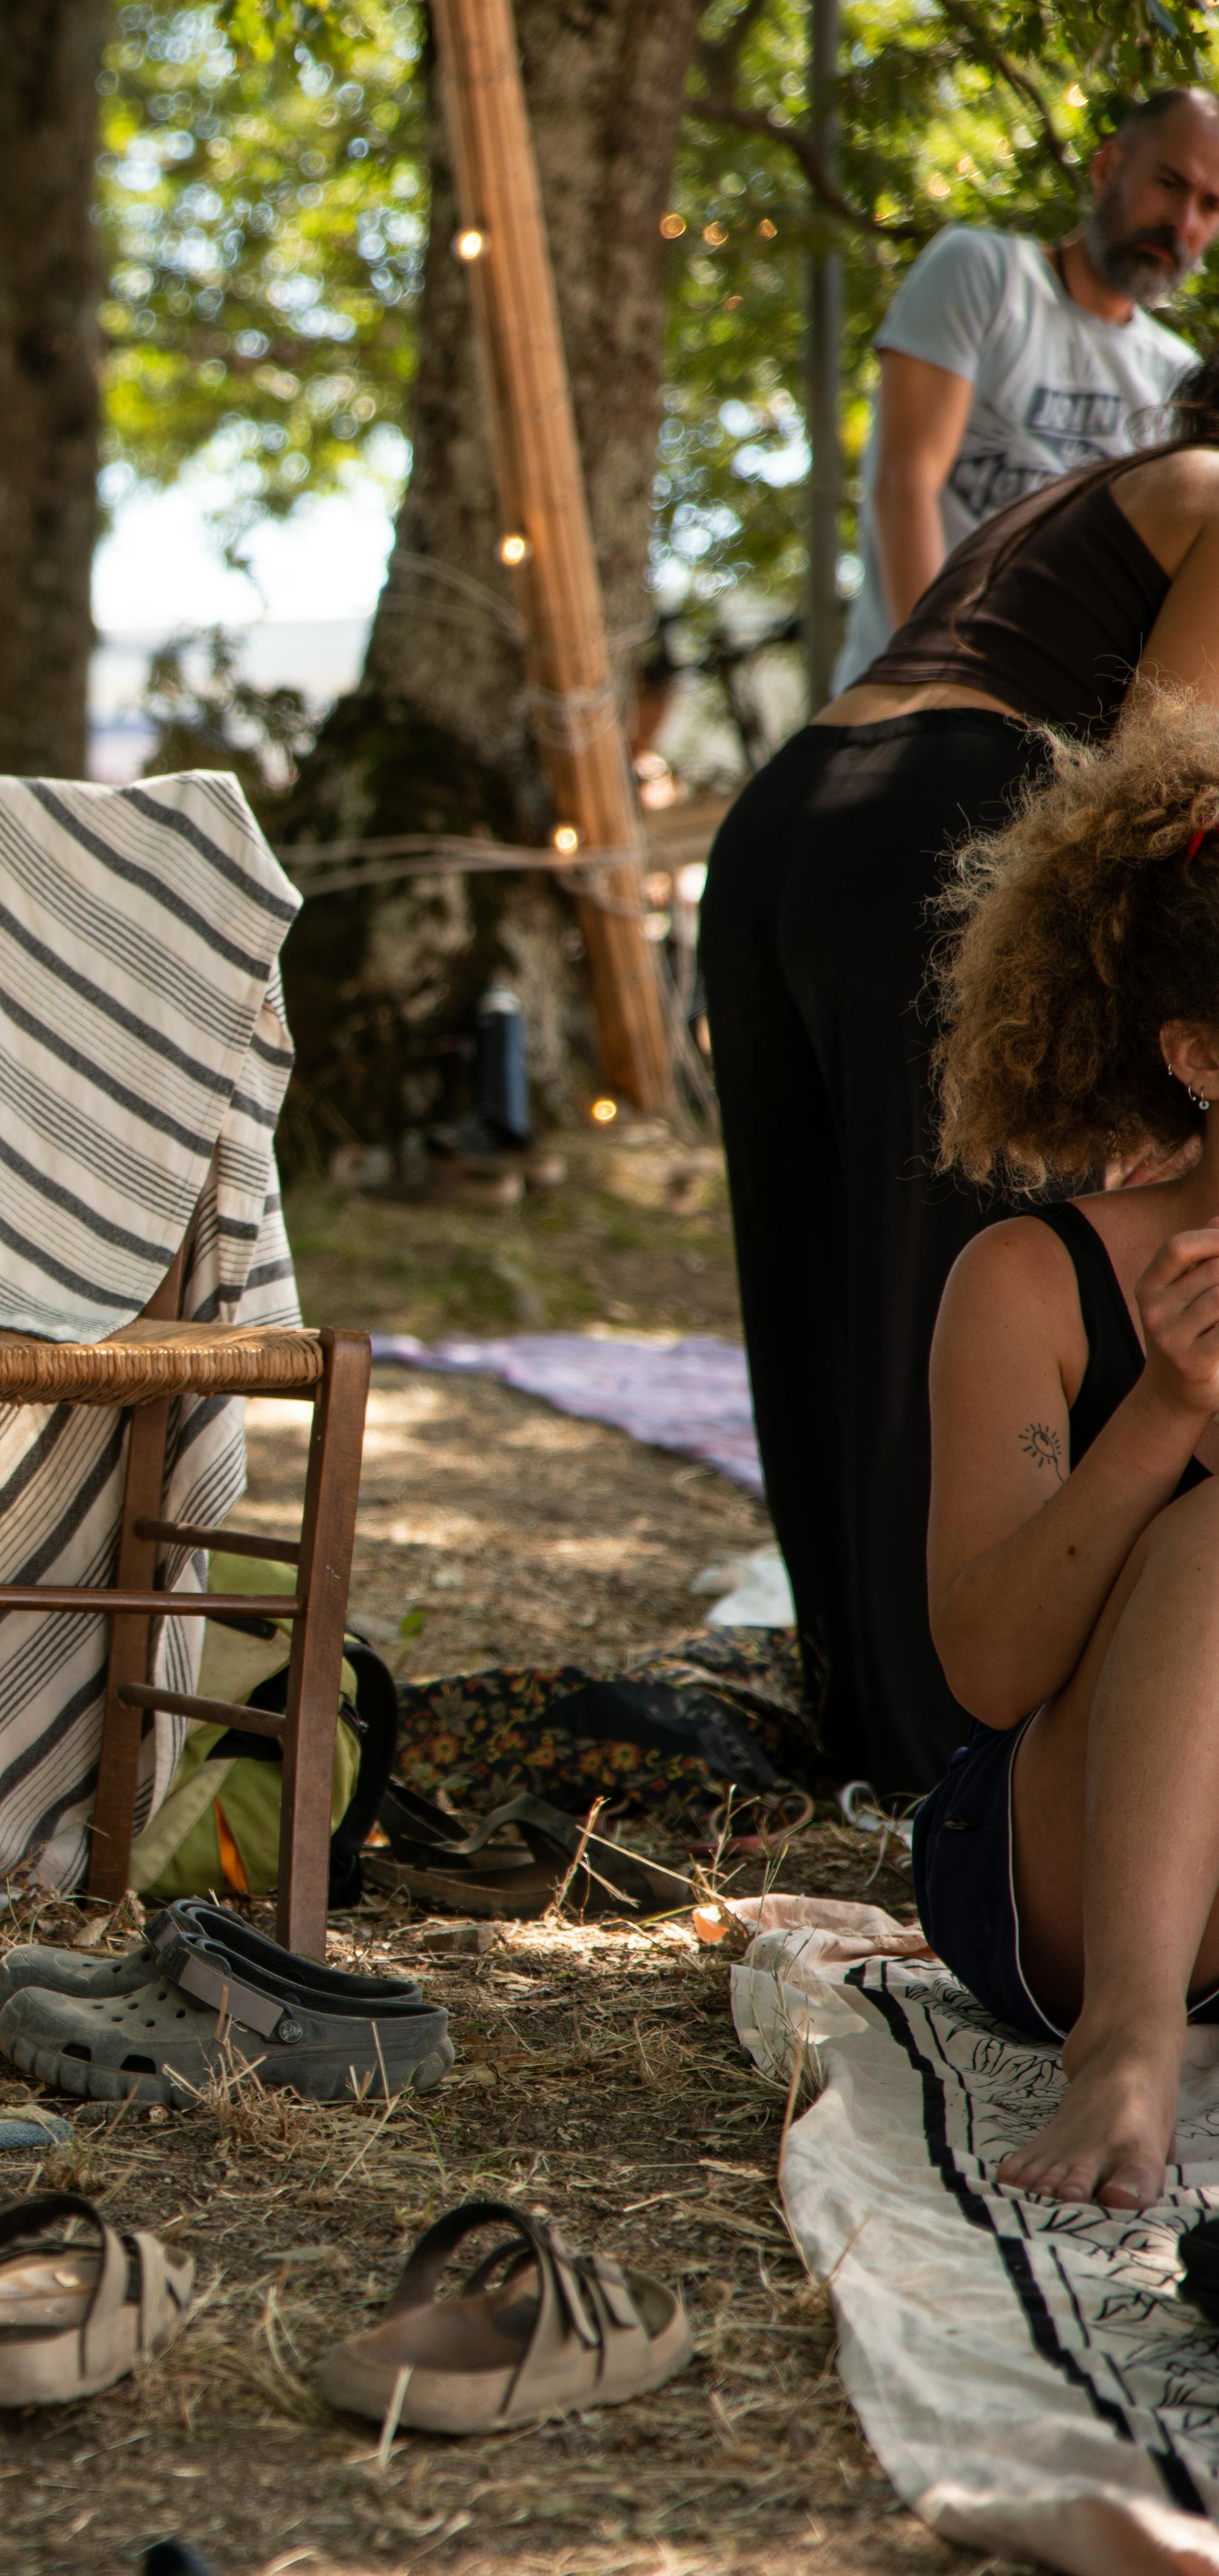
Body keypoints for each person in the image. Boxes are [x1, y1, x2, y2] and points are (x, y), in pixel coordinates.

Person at [709, 356, 1219, 1789]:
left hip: (785, 822)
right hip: (933, 849)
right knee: (954, 1292)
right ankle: (944, 1753)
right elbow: (1158, 791)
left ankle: (861, 1719)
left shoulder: (1098, 491)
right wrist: (1138, 1075)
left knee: (827, 1292)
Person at [919, 692, 1219, 2206]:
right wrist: (1165, 1414)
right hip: (1050, 1877)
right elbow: (983, 1671)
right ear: (1199, 1054)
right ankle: (1129, 2048)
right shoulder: (1037, 1282)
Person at [836, 90, 1219, 688]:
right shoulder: (984, 274)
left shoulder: (1176, 374)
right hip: (911, 704)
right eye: (1168, 184)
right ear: (1106, 167)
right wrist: (928, 691)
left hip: (1058, 747)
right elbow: (903, 484)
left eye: (1210, 205)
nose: (1183, 223)